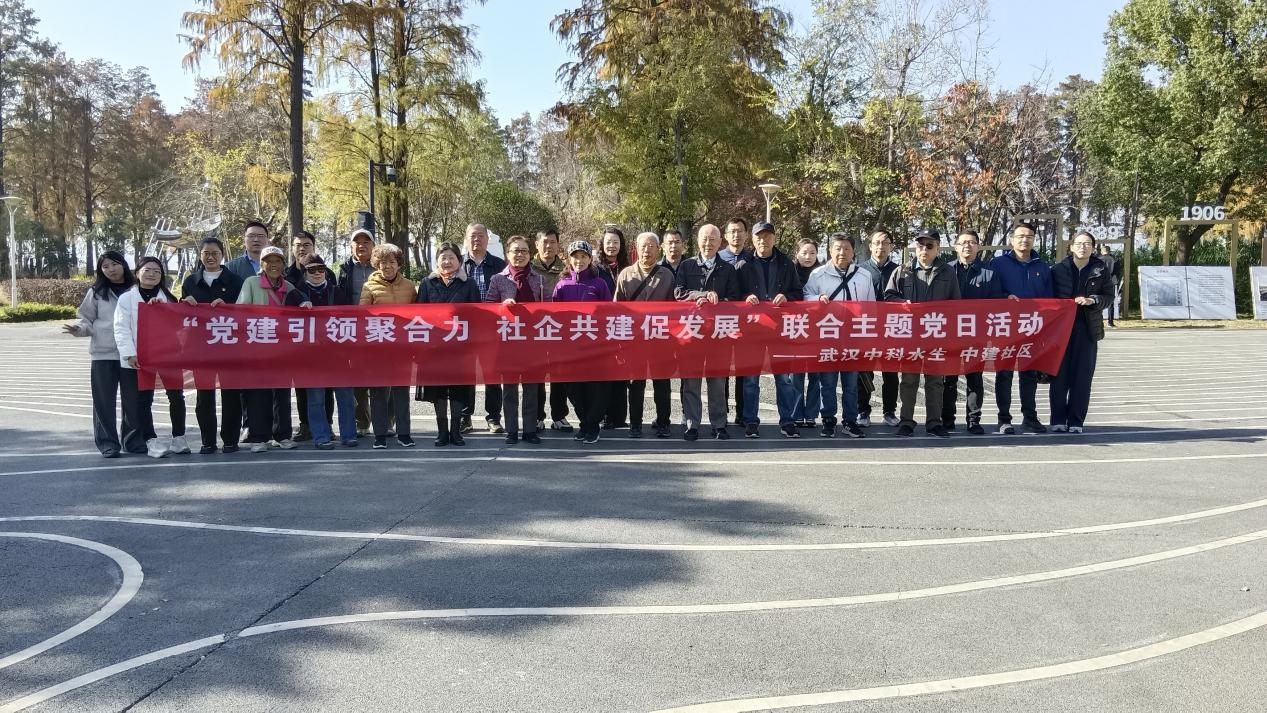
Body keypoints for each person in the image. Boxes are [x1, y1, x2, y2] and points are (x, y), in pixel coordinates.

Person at [885, 230, 961, 437]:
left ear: (938, 248)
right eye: (920, 245)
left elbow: (956, 305)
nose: (924, 249)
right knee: (908, 380)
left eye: (930, 246)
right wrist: (903, 303)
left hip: (936, 335)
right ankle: (906, 421)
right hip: (909, 336)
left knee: (935, 381)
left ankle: (934, 422)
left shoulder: (947, 272)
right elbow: (889, 297)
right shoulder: (903, 271)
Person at [113, 256, 188, 459]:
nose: (152, 274)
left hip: (169, 354)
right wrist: (129, 353)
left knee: (176, 396)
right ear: (137, 273)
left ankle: (179, 438)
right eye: (147, 270)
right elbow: (121, 328)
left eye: (157, 271)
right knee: (144, 398)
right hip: (142, 356)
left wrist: (179, 308)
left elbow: (180, 325)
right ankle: (151, 440)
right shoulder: (126, 299)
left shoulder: (169, 298)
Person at [64, 251, 136, 458]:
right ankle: (108, 444)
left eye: (114, 264)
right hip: (103, 354)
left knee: (133, 401)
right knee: (103, 402)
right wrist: (78, 329)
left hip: (131, 354)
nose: (111, 269)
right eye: (105, 267)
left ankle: (133, 441)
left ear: (123, 265)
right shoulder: (96, 292)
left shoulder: (137, 289)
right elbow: (86, 319)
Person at [802, 233, 874, 439]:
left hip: (853, 337)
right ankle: (828, 420)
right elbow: (805, 297)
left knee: (851, 384)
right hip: (828, 336)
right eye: (837, 248)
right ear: (830, 250)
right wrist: (817, 299)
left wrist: (868, 337)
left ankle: (850, 421)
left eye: (846, 249)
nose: (842, 252)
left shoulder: (864, 275)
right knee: (827, 383)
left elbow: (871, 306)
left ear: (853, 252)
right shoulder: (818, 274)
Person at [736, 221, 804, 438]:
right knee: (750, 380)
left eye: (767, 236)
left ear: (774, 239)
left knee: (784, 379)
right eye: (759, 236)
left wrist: (787, 297)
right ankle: (751, 421)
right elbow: (733, 294)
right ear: (753, 239)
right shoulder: (743, 264)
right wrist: (745, 297)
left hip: (780, 330)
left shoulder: (786, 263)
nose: (763, 240)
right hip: (752, 331)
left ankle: (787, 421)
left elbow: (798, 293)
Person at [675, 224, 742, 440]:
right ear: (697, 241)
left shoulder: (728, 269)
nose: (708, 243)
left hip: (718, 334)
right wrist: (700, 295)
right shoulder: (686, 266)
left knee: (718, 382)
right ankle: (692, 424)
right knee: (691, 382)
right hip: (692, 333)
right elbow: (679, 293)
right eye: (704, 238)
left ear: (720, 242)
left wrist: (719, 302)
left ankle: (719, 424)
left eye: (713, 239)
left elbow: (735, 299)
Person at [286, 253, 358, 449]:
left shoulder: (338, 292)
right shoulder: (295, 295)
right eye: (312, 270)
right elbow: (285, 325)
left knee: (345, 397)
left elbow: (350, 321)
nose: (317, 273)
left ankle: (349, 435)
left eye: (321, 269)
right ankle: (320, 437)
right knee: (316, 400)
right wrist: (298, 310)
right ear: (304, 273)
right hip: (311, 358)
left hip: (338, 355)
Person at [180, 237, 244, 454]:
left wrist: (229, 307)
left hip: (229, 347)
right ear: (200, 256)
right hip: (201, 349)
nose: (210, 257)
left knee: (231, 395)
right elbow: (181, 315)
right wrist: (184, 304)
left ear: (222, 255)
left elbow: (244, 312)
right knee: (204, 396)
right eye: (206, 253)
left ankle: (230, 440)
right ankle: (208, 441)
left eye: (215, 253)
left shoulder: (235, 281)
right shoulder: (190, 282)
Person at [989, 220, 1054, 434]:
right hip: (1005, 327)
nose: (1024, 240)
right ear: (1011, 240)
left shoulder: (1042, 266)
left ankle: (1030, 417)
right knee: (1004, 373)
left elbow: (1049, 299)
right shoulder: (997, 264)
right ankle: (1004, 419)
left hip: (1031, 328)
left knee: (1029, 374)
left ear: (1034, 240)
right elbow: (990, 293)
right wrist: (1004, 297)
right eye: (1020, 236)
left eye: (1029, 237)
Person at [1050, 232, 1116, 433]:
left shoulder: (1100, 269)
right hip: (1060, 331)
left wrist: (1092, 300)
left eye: (1087, 244)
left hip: (1087, 329)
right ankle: (1057, 419)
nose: (1083, 247)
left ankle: (1076, 421)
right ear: (1071, 247)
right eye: (1079, 243)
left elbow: (1109, 296)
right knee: (1059, 376)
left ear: (1093, 248)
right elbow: (1048, 295)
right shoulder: (1058, 269)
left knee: (1082, 377)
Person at [487, 235, 549, 445]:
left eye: (524, 251)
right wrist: (503, 306)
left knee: (532, 390)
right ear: (507, 254)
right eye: (516, 251)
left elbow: (550, 308)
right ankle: (511, 430)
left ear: (530, 254)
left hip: (533, 343)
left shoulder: (540, 280)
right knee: (510, 390)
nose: (520, 255)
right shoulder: (498, 279)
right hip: (508, 343)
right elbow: (488, 308)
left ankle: (530, 430)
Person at [418, 241, 480, 447]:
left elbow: (476, 315)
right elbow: (419, 315)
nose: (447, 261)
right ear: (437, 261)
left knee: (458, 389)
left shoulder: (469, 284)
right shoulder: (427, 283)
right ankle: (442, 432)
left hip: (460, 349)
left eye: (451, 257)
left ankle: (456, 432)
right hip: (434, 349)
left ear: (459, 261)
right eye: (443, 258)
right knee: (438, 391)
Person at [237, 245, 298, 452]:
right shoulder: (251, 283)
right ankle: (258, 437)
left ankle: (282, 435)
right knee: (258, 394)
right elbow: (241, 311)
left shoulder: (289, 286)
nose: (273, 265)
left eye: (278, 261)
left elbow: (299, 312)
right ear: (261, 264)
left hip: (283, 350)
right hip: (257, 348)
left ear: (283, 264)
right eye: (268, 261)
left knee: (282, 394)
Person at [615, 232, 676, 438]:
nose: (647, 250)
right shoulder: (626, 275)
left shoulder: (667, 275)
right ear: (636, 248)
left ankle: (663, 422)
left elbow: (675, 309)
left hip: (660, 338)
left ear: (658, 249)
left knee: (662, 383)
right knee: (635, 384)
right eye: (643, 246)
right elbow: (616, 309)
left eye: (651, 246)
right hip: (634, 341)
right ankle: (635, 424)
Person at [943, 230, 1003, 435]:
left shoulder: (989, 273)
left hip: (977, 335)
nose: (967, 246)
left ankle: (973, 420)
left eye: (971, 242)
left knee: (974, 379)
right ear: (956, 247)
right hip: (949, 334)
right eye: (963, 242)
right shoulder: (946, 271)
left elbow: (996, 304)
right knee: (948, 378)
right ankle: (947, 419)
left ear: (978, 246)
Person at [552, 240, 613, 444]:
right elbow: (555, 316)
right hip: (570, 349)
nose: (579, 261)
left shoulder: (599, 284)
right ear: (569, 260)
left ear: (590, 259)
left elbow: (608, 314)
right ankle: (584, 423)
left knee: (595, 389)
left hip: (595, 347)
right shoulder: (562, 285)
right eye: (575, 257)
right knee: (574, 389)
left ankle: (592, 426)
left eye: (583, 256)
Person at [360, 243, 417, 448]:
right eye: (383, 262)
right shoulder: (369, 286)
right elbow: (362, 316)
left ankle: (404, 433)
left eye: (392, 262)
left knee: (401, 392)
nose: (387, 266)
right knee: (378, 393)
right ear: (377, 264)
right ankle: (380, 435)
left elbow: (418, 315)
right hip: (378, 348)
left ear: (398, 264)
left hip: (402, 348)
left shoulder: (409, 286)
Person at [283, 230, 334, 442]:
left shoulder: (328, 274)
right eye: (298, 245)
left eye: (306, 244)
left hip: (327, 343)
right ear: (292, 248)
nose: (302, 248)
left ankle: (327, 425)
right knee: (302, 386)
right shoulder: (286, 274)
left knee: (327, 387)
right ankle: (305, 425)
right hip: (299, 343)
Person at [461, 223, 508, 434]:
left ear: (488, 240)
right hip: (465, 329)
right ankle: (465, 417)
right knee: (466, 374)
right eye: (473, 236)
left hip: (492, 328)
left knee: (492, 375)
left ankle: (493, 418)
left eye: (481, 235)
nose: (476, 239)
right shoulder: (459, 264)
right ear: (466, 239)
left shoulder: (499, 265)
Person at [531, 229, 574, 433]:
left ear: (558, 245)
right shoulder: (528, 268)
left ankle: (559, 416)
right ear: (537, 244)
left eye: (553, 242)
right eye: (545, 242)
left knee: (560, 374)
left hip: (560, 329)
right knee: (536, 375)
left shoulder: (567, 269)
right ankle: (537, 416)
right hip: (535, 329)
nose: (548, 246)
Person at [857, 229, 901, 428]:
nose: (880, 247)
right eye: (876, 242)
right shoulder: (860, 270)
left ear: (891, 246)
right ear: (870, 246)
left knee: (891, 374)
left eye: (885, 243)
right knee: (865, 372)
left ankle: (889, 411)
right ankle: (863, 411)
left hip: (892, 330)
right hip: (866, 330)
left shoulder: (900, 271)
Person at [337, 226, 378, 435]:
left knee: (382, 377)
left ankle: (385, 422)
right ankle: (362, 422)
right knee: (358, 378)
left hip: (380, 329)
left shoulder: (382, 266)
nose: (361, 245)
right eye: (357, 242)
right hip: (353, 330)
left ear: (373, 246)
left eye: (366, 242)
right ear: (351, 246)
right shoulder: (344, 270)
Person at [718, 217, 753, 425]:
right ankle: (721, 413)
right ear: (725, 235)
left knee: (743, 370)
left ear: (746, 234)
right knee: (721, 370)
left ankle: (742, 413)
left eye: (740, 231)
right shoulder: (718, 258)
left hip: (747, 324)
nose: (736, 235)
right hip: (723, 322)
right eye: (732, 231)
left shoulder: (752, 258)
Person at [597, 227, 631, 430]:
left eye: (616, 242)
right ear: (602, 245)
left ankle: (619, 417)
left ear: (621, 245)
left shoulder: (628, 266)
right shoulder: (595, 268)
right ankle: (604, 415)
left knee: (622, 373)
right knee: (604, 373)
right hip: (602, 325)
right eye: (608, 242)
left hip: (624, 324)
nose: (612, 246)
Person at [791, 237, 822, 429]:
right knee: (796, 375)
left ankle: (811, 414)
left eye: (812, 253)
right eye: (804, 253)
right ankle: (796, 413)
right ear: (797, 254)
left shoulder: (822, 274)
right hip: (795, 329)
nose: (808, 257)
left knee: (815, 376)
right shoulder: (789, 272)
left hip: (818, 330)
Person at [1098, 243, 1122, 327]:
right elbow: (1118, 272)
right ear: (1109, 251)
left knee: (1099, 301)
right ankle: (1110, 322)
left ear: (1102, 251)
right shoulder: (1115, 259)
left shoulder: (1098, 259)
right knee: (1111, 302)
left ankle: (1099, 321)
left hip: (1100, 282)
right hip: (1111, 282)